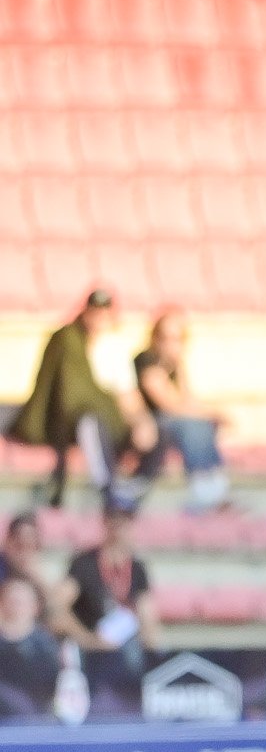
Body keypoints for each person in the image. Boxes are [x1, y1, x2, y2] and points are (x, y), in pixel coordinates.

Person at [7, 289, 156, 509]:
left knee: (158, 431)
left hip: (111, 419)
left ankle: (133, 490)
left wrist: (141, 420)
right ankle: (108, 488)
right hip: (68, 419)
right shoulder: (68, 340)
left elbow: (127, 395)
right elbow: (68, 394)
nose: (99, 318)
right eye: (95, 312)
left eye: (104, 313)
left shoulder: (115, 347)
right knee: (90, 422)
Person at [52, 494, 160, 689]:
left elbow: (147, 615)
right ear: (105, 520)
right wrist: (87, 639)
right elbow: (58, 607)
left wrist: (150, 650)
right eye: (113, 518)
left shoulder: (136, 568)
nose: (118, 525)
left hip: (123, 648)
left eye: (124, 519)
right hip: (90, 646)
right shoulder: (85, 563)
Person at [134, 310, 232, 515]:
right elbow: (167, 404)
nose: (172, 344)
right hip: (148, 423)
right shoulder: (147, 360)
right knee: (192, 425)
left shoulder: (174, 365)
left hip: (168, 421)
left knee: (200, 424)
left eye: (178, 338)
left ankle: (214, 488)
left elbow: (187, 400)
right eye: (166, 338)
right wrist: (211, 413)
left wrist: (207, 414)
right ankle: (203, 489)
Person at [0, 577, 62, 713]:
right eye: (11, 600)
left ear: (35, 607)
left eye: (21, 602)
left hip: (33, 716)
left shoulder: (46, 646)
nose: (15, 607)